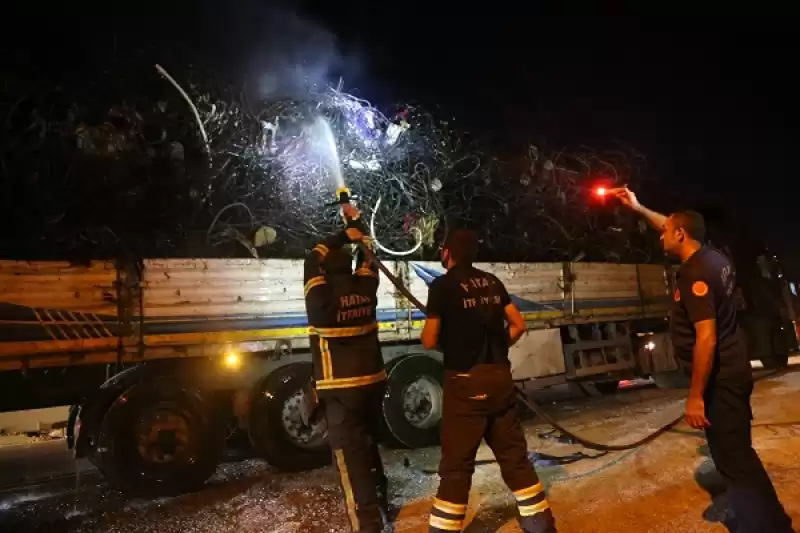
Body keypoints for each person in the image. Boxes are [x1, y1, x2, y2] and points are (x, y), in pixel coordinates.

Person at [610, 187, 793, 533]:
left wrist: (694, 396)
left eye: (666, 232)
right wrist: (637, 208)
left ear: (681, 234)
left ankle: (764, 527)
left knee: (734, 462)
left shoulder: (695, 273)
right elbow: (675, 225)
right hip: (733, 371)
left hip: (720, 380)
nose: (661, 235)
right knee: (739, 456)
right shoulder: (714, 256)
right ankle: (774, 523)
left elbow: (705, 337)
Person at [420, 229, 558, 533]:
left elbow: (429, 340)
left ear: (448, 254)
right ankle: (540, 523)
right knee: (514, 458)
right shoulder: (493, 282)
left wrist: (452, 340)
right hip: (499, 379)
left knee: (456, 466)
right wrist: (496, 350)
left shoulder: (442, 287)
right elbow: (518, 325)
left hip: (465, 384)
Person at [303, 203, 388, 533]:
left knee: (349, 457)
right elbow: (370, 257)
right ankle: (381, 504)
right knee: (368, 445)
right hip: (372, 381)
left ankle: (367, 524)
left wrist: (340, 235)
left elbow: (313, 258)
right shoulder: (364, 287)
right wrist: (356, 225)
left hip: (340, 389)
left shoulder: (321, 299)